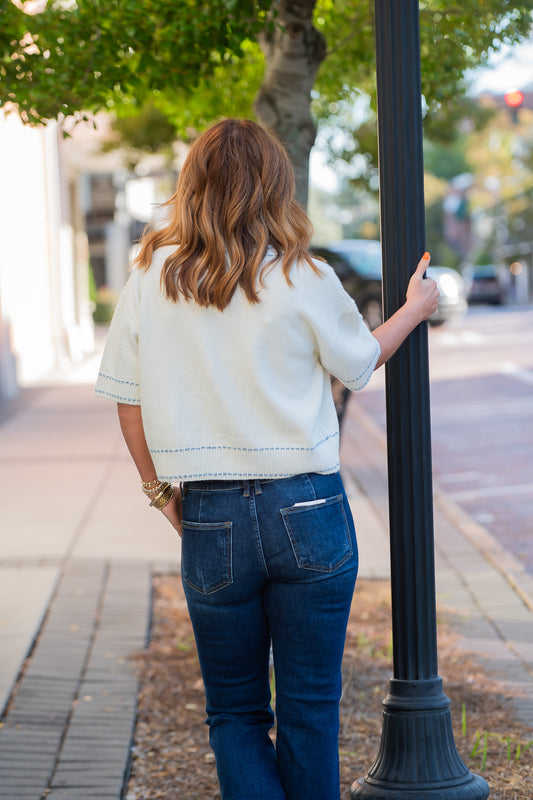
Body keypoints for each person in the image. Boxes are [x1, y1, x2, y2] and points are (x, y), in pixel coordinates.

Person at [95, 118, 439, 800]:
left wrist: (160, 495)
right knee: (310, 709)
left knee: (234, 712)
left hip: (211, 510)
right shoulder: (303, 274)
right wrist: (412, 308)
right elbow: (361, 361)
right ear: (276, 185)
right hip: (307, 506)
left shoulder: (149, 276)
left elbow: (127, 402)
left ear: (191, 186)